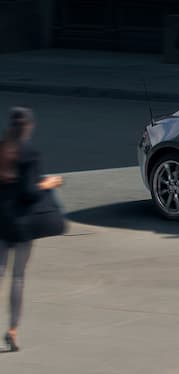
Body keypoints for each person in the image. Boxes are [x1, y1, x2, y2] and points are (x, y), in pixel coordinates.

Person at [0, 107, 62, 352]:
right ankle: (13, 330)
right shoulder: (30, 153)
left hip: (1, 220)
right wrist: (49, 183)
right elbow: (30, 193)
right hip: (22, 223)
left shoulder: (2, 148)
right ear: (29, 126)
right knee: (17, 277)